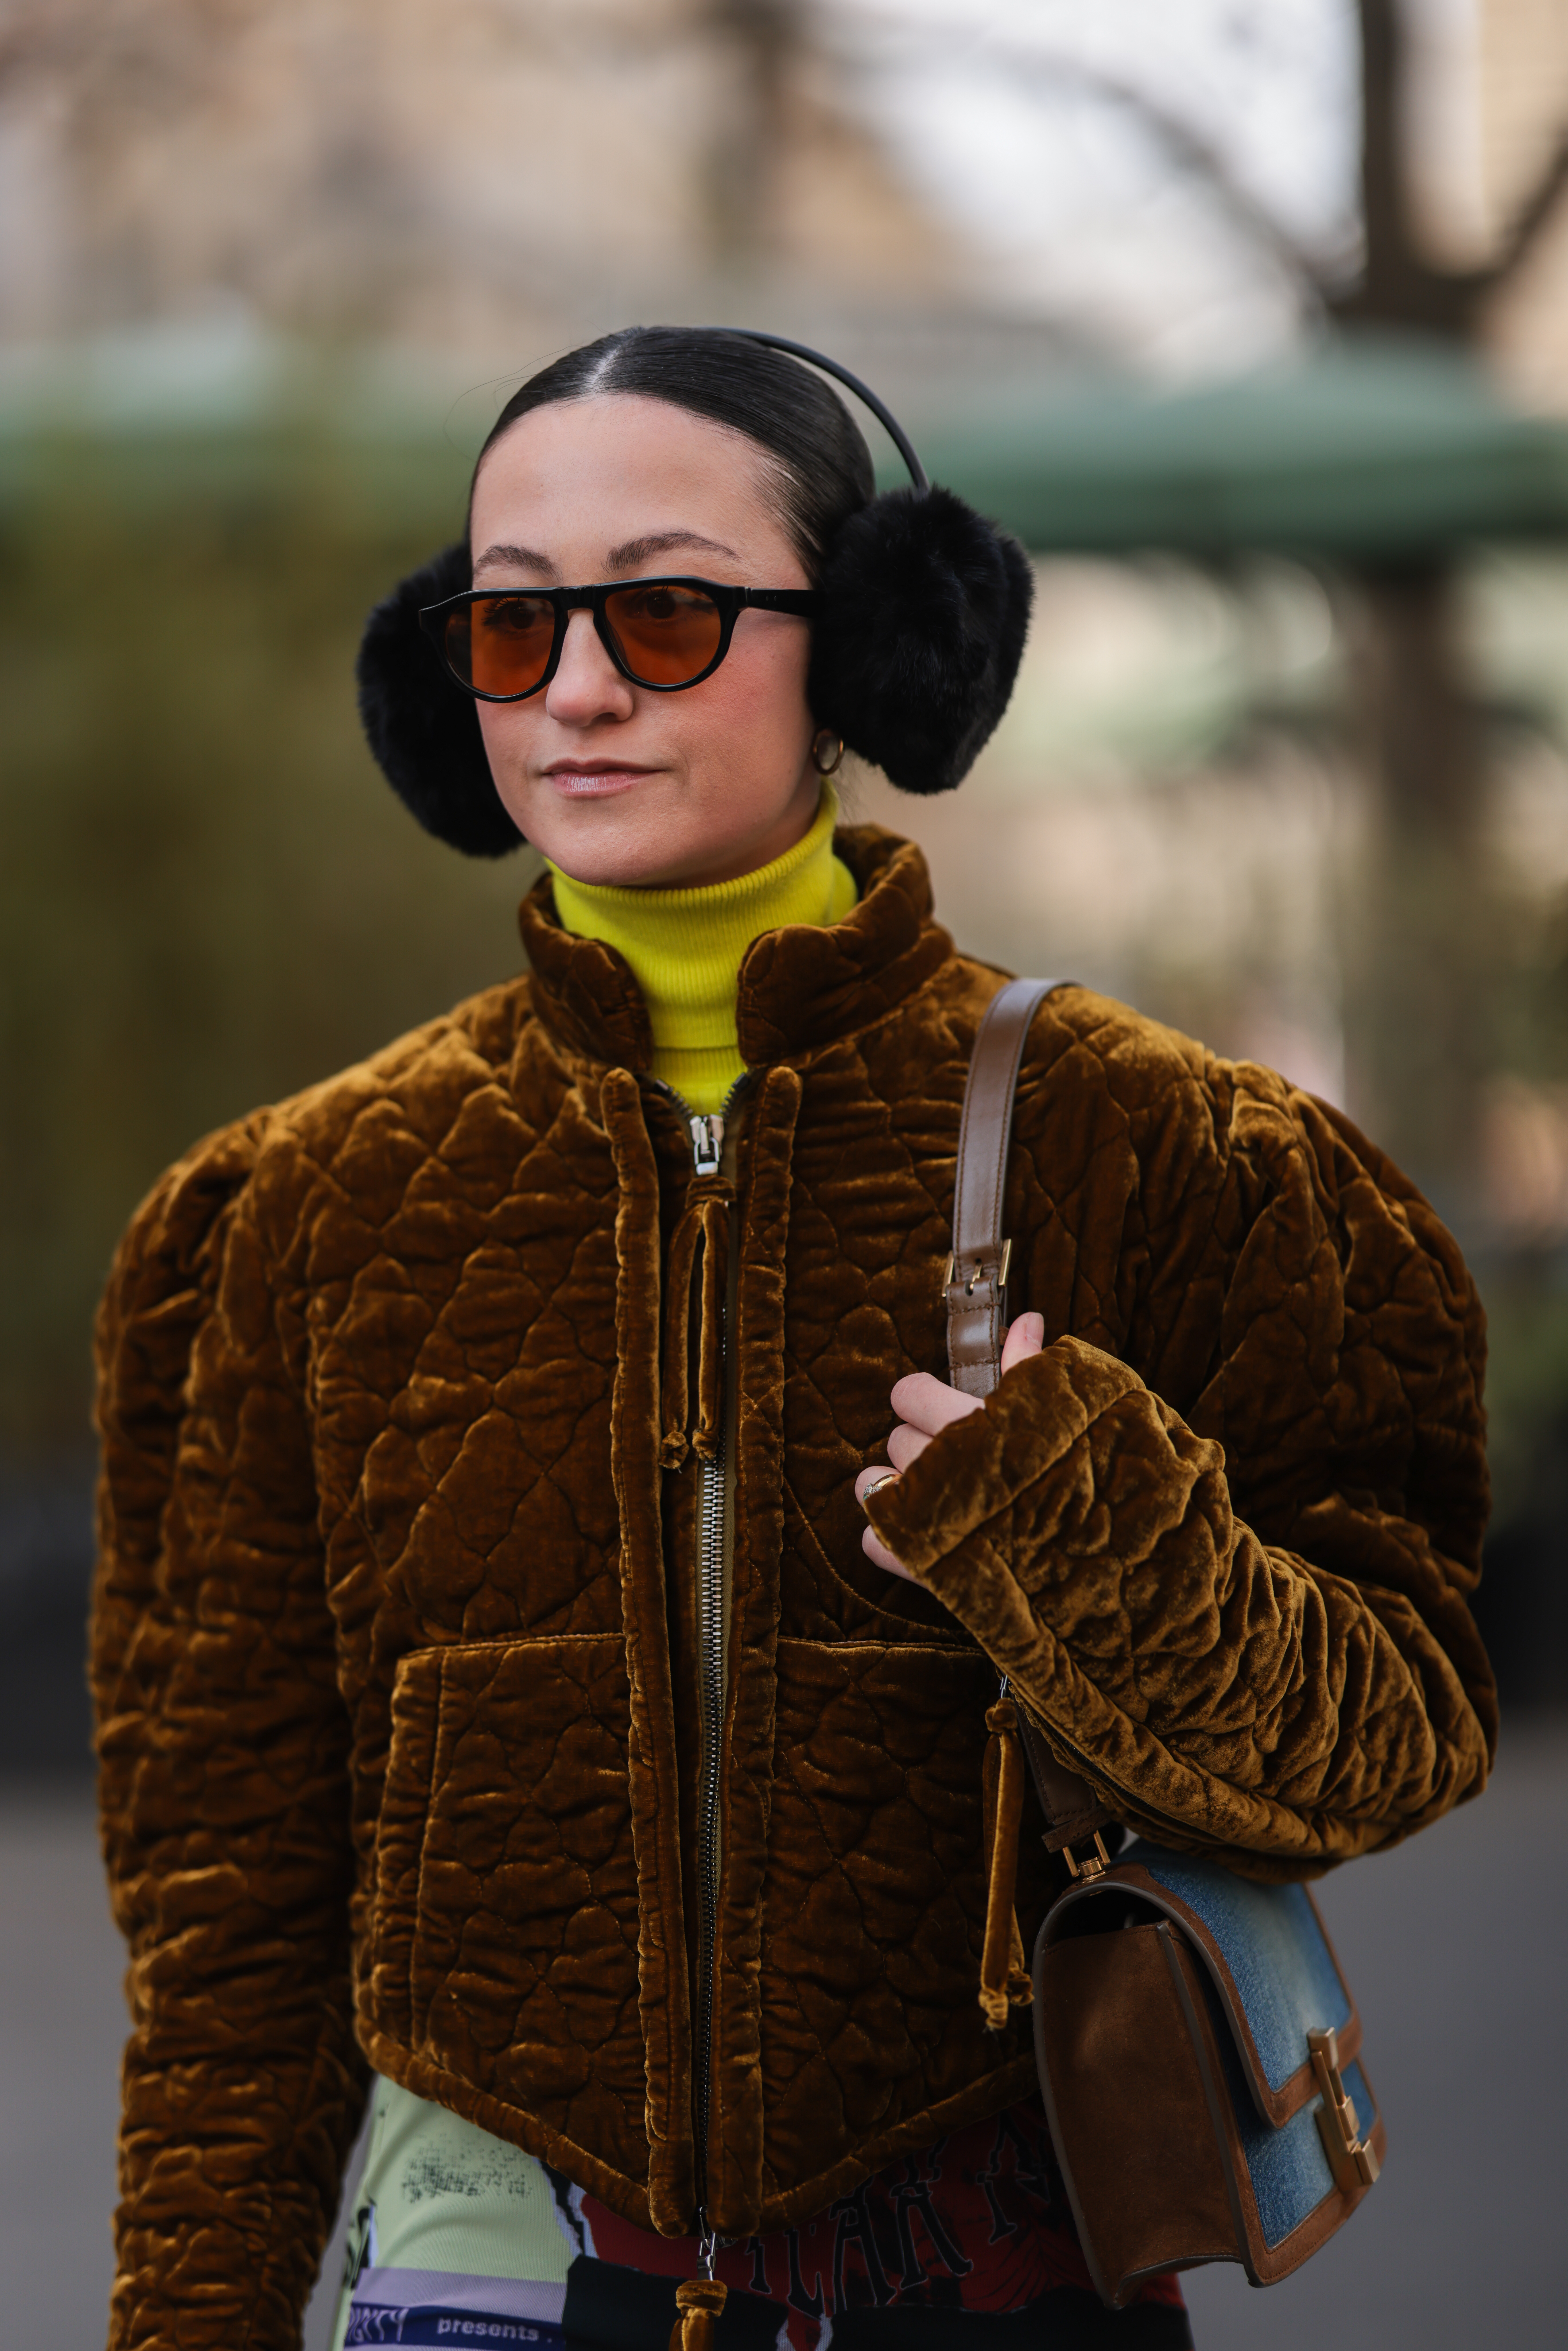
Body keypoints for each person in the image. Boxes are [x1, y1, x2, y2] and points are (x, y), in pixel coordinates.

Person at [90, 327, 1495, 2351]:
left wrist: (1092, 1542)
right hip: (480, 2276)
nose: (574, 688)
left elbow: (1395, 1732)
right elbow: (227, 1912)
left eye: (663, 611)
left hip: (992, 2274)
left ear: (875, 642)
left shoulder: (1181, 1154)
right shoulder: (290, 1216)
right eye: (509, 625)